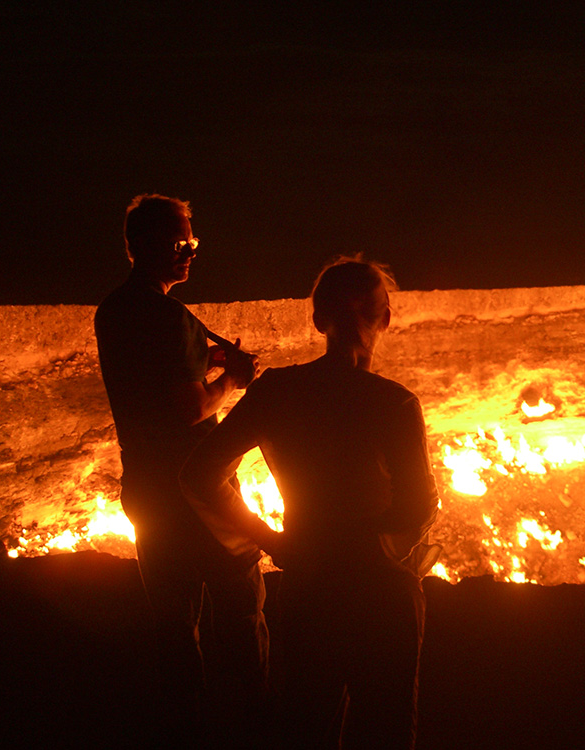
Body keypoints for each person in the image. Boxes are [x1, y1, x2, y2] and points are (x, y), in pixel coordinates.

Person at [181, 257, 440, 748]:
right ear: (385, 318)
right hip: (381, 593)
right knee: (385, 732)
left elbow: (197, 473)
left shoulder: (279, 392)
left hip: (310, 586)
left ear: (318, 319)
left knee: (306, 727)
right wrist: (386, 552)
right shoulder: (394, 404)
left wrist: (270, 541)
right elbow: (419, 506)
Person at [95, 194, 269, 737]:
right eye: (179, 242)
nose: (190, 252)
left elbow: (152, 374)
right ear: (141, 245)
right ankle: (257, 723)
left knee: (173, 624)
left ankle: (184, 727)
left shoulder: (115, 310)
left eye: (192, 241)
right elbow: (192, 407)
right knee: (243, 607)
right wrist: (234, 381)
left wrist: (205, 358)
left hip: (146, 487)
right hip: (199, 492)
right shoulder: (169, 317)